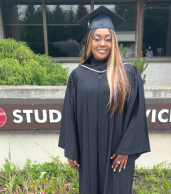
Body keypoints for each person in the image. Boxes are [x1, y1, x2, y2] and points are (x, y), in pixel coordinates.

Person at [58, 6, 150, 194]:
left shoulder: (128, 73)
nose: (102, 43)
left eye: (108, 39)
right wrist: (72, 151)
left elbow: (136, 114)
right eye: (97, 38)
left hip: (117, 152)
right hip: (88, 150)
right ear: (90, 41)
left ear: (114, 42)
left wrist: (126, 149)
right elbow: (70, 114)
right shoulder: (78, 75)